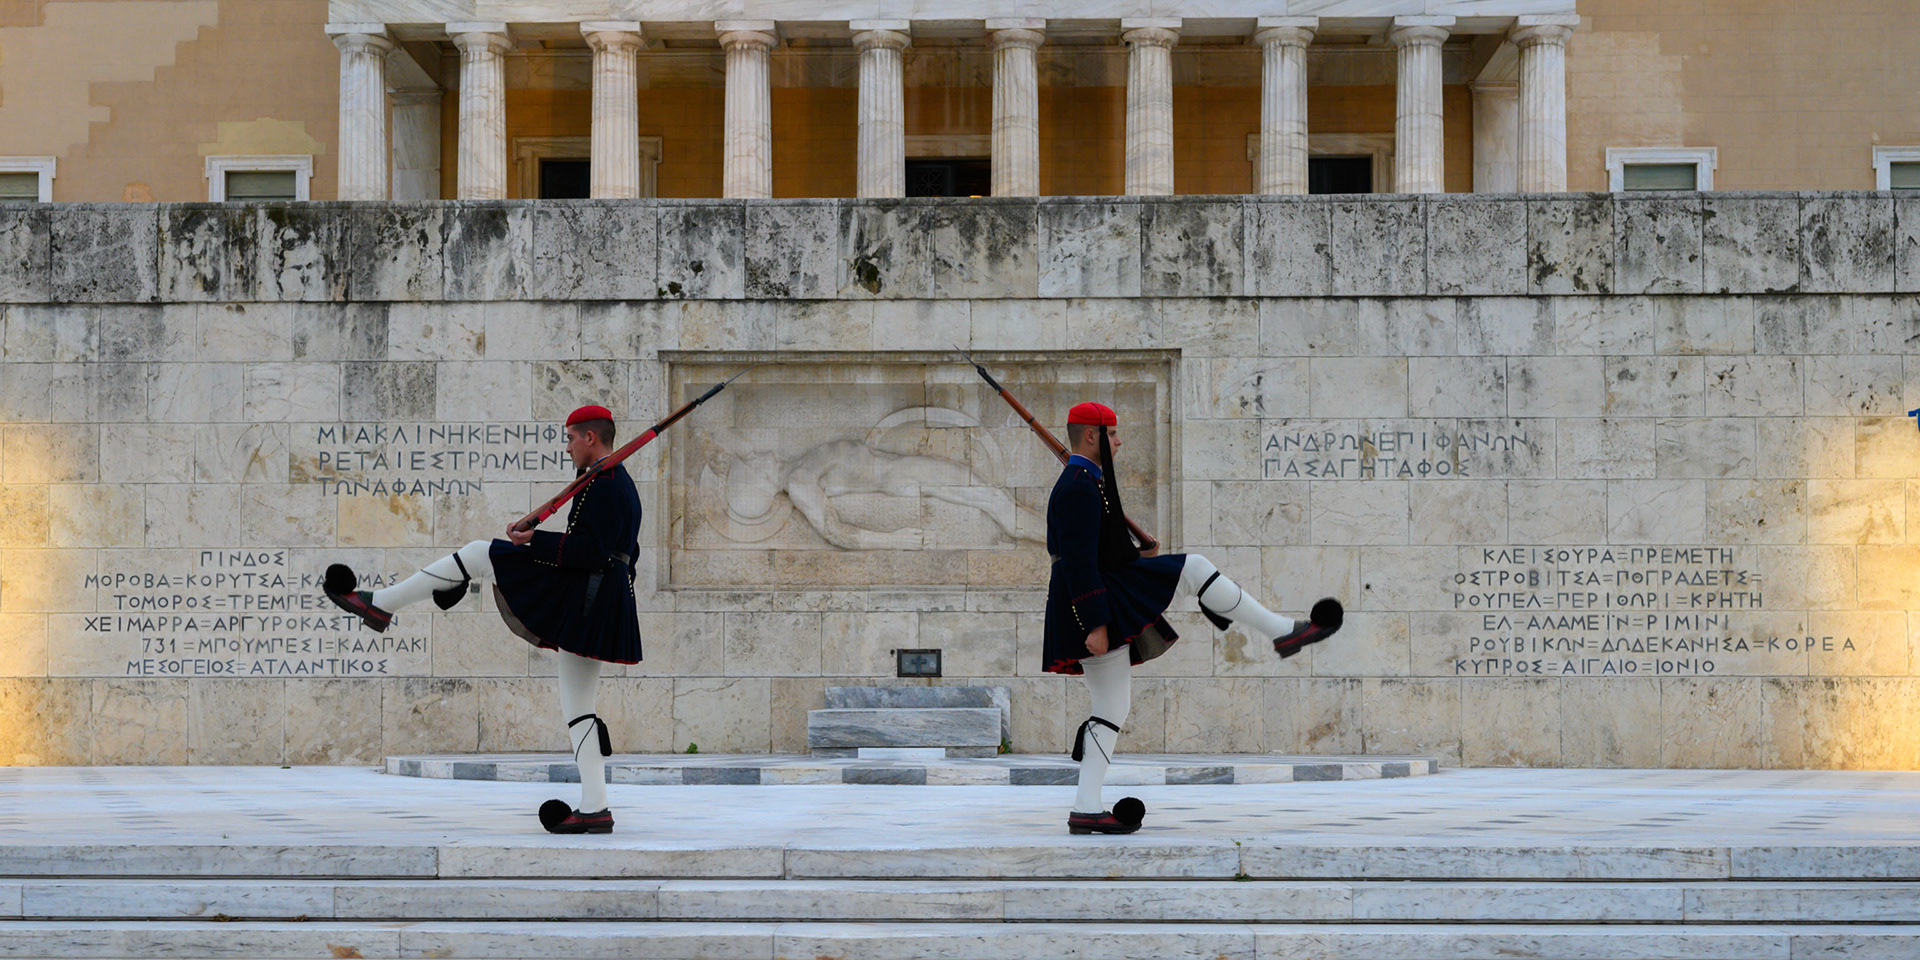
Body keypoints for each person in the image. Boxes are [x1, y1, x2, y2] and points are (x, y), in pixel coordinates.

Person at [324, 405, 643, 835]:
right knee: (579, 708)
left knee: (479, 552)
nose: (566, 447)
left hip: (589, 597)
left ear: (590, 437)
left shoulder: (607, 485)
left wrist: (535, 542)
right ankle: (595, 807)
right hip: (599, 599)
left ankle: (380, 604)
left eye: (570, 438)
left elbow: (590, 550)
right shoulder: (613, 481)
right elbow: (626, 553)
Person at [1043, 401, 1342, 835]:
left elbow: (1098, 550)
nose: (1119, 441)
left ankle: (1085, 808)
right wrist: (1095, 624)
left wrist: (1138, 555)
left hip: (1105, 588)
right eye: (1112, 434)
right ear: (1091, 436)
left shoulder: (1087, 481)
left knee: (1110, 707)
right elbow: (1076, 562)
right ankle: (1281, 633)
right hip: (1093, 599)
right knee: (1195, 569)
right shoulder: (1077, 486)